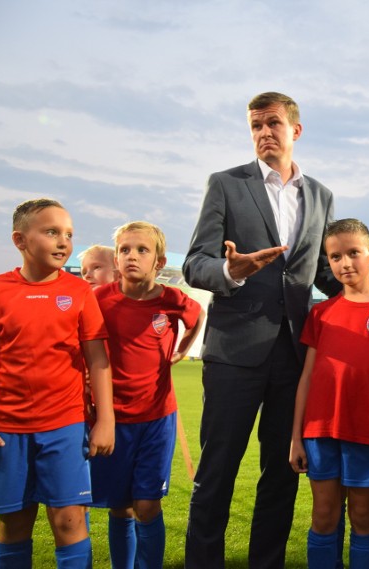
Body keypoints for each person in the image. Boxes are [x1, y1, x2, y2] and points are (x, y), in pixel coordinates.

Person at [182, 91, 342, 569]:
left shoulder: (321, 196)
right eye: (255, 126)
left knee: (281, 474)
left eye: (273, 123)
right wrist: (233, 271)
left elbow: (326, 275)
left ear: (296, 130)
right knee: (216, 472)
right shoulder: (226, 185)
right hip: (234, 352)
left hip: (294, 355)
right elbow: (195, 263)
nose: (263, 133)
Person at [0, 198, 115, 568]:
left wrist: (105, 420)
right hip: (7, 430)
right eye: (51, 232)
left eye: (69, 234)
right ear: (20, 240)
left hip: (65, 425)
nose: (63, 241)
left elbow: (98, 358)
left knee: (69, 520)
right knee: (14, 523)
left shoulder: (78, 292)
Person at [288, 218, 369, 569]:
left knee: (363, 515)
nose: (345, 263)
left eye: (353, 253)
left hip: (367, 432)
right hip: (319, 431)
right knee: (324, 514)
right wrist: (296, 437)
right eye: (335, 257)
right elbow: (308, 376)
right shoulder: (322, 313)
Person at [90, 221, 204, 569]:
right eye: (124, 249)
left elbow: (196, 317)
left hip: (157, 418)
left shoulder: (173, 300)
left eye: (142, 250)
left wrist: (182, 349)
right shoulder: (99, 300)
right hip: (112, 419)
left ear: (159, 261)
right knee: (119, 505)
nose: (131, 256)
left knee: (147, 505)